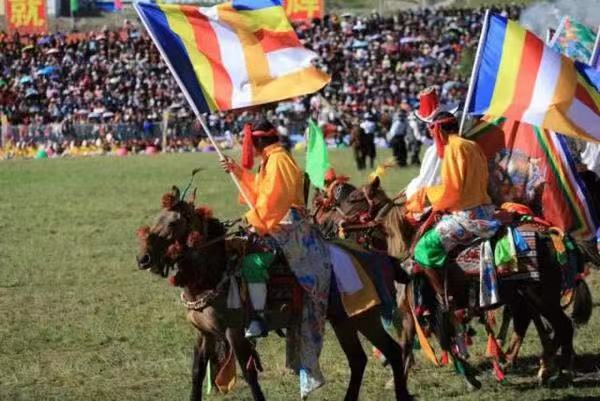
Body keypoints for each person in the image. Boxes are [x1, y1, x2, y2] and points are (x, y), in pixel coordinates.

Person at [220, 118, 331, 399]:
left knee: (253, 261)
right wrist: (238, 172)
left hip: (289, 225)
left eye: (249, 142)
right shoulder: (270, 159)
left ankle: (258, 316)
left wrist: (253, 223)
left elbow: (274, 201)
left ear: (258, 141)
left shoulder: (279, 160)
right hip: (274, 220)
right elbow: (261, 192)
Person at [406, 111, 501, 302]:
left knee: (423, 248)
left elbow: (453, 190)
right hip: (484, 209)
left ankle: (446, 298)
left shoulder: (453, 148)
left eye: (432, 130)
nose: (431, 134)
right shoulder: (472, 144)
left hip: (466, 216)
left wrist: (426, 195)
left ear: (439, 130)